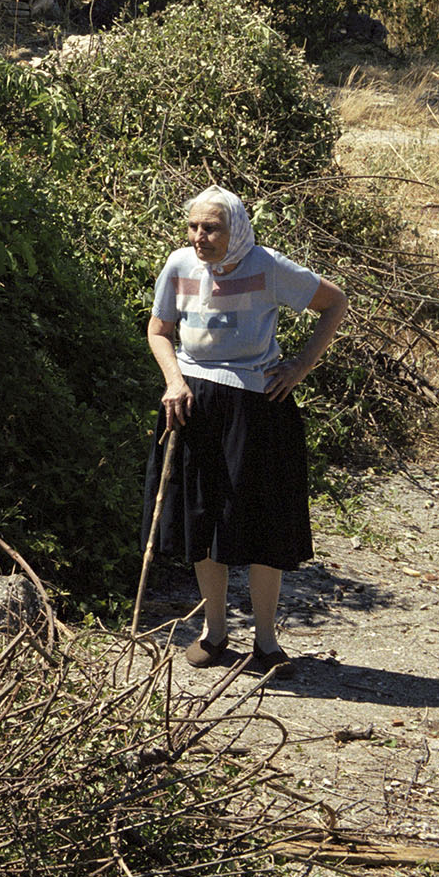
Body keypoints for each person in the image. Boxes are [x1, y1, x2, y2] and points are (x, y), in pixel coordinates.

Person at [144, 186, 348, 670]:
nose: (199, 237)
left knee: (262, 522)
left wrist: (298, 367)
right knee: (202, 517)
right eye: (193, 227)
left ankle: (267, 643)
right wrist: (174, 380)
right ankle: (214, 634)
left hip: (258, 406)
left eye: (211, 227)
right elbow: (158, 330)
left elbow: (335, 303)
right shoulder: (179, 266)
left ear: (234, 228)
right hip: (192, 403)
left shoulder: (268, 266)